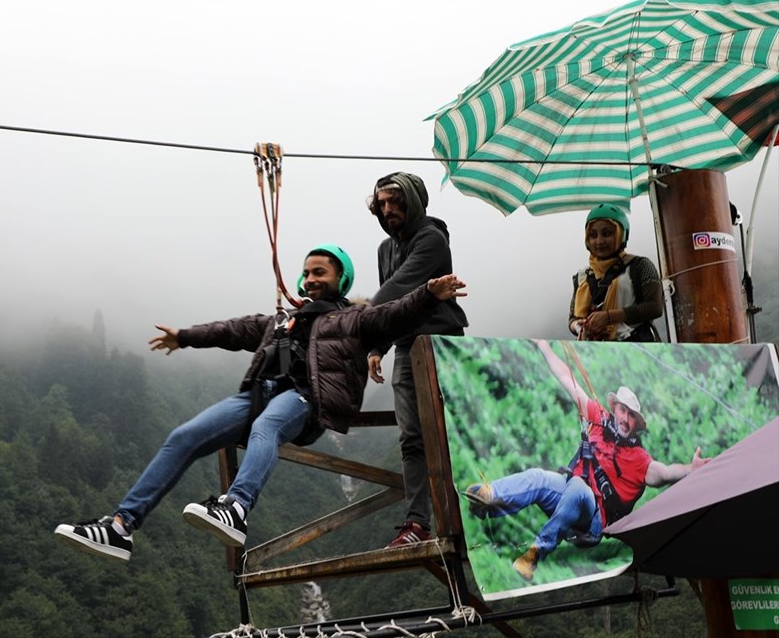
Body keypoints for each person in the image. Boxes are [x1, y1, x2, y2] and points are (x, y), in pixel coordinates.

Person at [54, 244, 468, 561]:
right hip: (260, 393)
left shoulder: (352, 320)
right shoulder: (283, 320)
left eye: (319, 272)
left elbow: (395, 313)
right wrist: (185, 336)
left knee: (265, 427)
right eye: (306, 272)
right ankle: (122, 525)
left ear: (340, 280)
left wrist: (429, 294)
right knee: (184, 436)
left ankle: (236, 507)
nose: (309, 279)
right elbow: (234, 330)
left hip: (306, 401)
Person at [464, 339, 710, 582]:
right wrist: (543, 345)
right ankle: (489, 497)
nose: (625, 419)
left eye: (632, 416)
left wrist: (691, 469)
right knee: (540, 477)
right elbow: (566, 379)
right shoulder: (597, 418)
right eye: (623, 411)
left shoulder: (638, 458)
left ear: (637, 424)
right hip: (569, 496)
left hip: (593, 523)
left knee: (579, 488)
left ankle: (536, 552)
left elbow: (665, 472)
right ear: (615, 409)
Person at [366, 172, 469, 548]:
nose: (389, 209)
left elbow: (400, 287)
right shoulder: (384, 249)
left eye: (396, 201)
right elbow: (395, 309)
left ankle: (470, 510)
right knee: (411, 436)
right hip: (408, 347)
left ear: (413, 201)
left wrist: (353, 315)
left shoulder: (431, 237)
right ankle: (417, 523)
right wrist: (377, 346)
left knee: (447, 432)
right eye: (382, 203)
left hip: (439, 344)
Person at [568, 203, 663, 342]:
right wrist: (579, 326)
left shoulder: (640, 266)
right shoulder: (582, 277)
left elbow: (654, 307)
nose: (599, 241)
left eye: (607, 233)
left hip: (637, 347)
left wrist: (609, 317)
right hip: (594, 350)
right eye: (593, 235)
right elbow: (572, 318)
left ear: (622, 234)